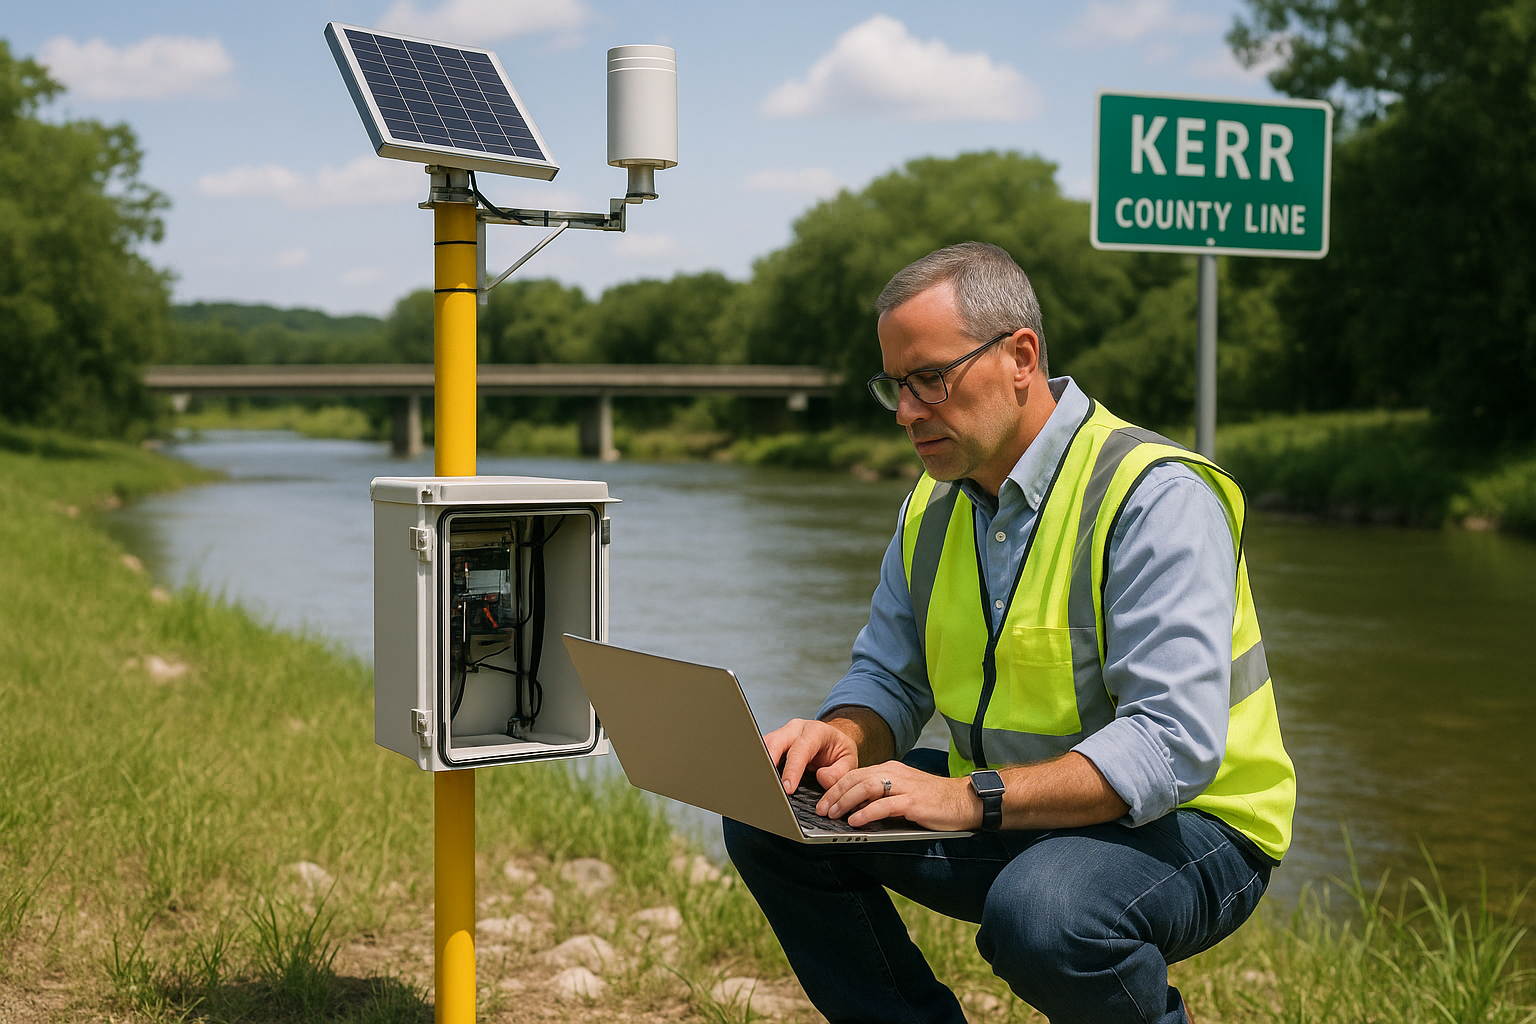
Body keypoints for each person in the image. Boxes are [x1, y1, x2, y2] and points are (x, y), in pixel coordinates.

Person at [722, 242, 1295, 1024]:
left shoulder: (1156, 496)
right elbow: (889, 677)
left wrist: (967, 798)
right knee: (775, 809)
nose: (905, 412)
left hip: (1195, 824)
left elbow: (1170, 744)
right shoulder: (932, 503)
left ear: (1020, 357)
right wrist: (843, 737)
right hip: (1006, 803)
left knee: (1045, 914)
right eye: (894, 385)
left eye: (931, 379)